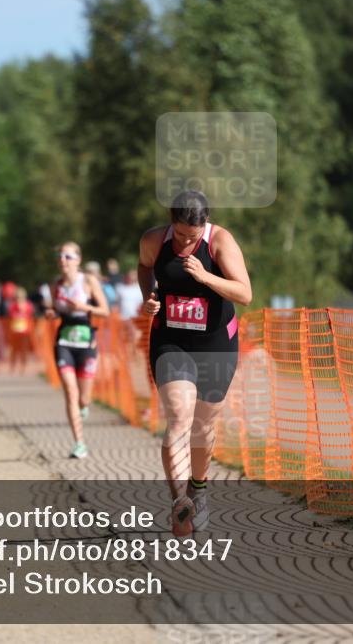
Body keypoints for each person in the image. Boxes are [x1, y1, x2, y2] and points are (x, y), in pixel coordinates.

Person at [138, 190, 252, 537]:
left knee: (203, 427)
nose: (187, 241)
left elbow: (244, 293)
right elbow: (145, 268)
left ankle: (198, 491)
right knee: (178, 417)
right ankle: (179, 503)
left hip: (216, 343)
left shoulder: (220, 242)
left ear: (205, 224)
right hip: (172, 340)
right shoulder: (154, 240)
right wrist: (149, 298)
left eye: (194, 235)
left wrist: (205, 276)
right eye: (182, 234)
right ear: (171, 223)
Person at [46, 242, 110, 459]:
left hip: (86, 343)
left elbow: (105, 311)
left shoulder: (88, 281)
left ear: (78, 260)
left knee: (84, 398)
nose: (63, 260)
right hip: (64, 342)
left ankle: (84, 406)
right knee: (70, 394)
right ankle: (79, 443)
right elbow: (55, 309)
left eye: (68, 256)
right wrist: (51, 313)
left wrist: (84, 307)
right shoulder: (55, 284)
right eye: (60, 256)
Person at [6, 285, 35, 375]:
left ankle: (23, 367)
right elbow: (11, 315)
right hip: (15, 331)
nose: (19, 298)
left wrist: (23, 311)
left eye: (21, 296)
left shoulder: (28, 305)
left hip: (25, 331)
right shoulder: (13, 305)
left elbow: (30, 315)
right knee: (14, 350)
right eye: (18, 296)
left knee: (24, 350)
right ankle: (12, 366)